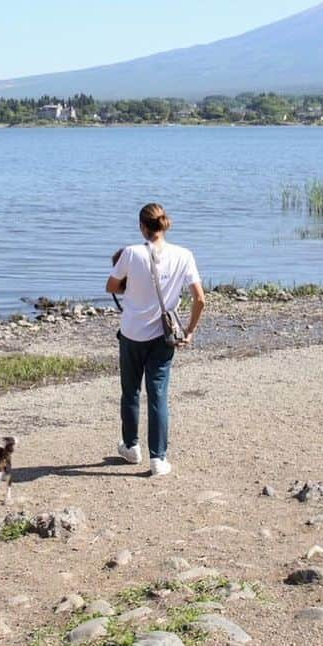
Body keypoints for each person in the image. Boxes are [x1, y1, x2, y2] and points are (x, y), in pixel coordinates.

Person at [106, 203, 205, 476]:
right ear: (164, 225)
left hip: (131, 334)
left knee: (130, 391)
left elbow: (111, 286)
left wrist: (131, 282)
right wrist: (189, 330)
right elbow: (200, 299)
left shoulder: (131, 253)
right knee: (158, 395)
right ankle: (158, 459)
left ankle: (131, 446)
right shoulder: (184, 255)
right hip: (164, 335)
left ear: (142, 226)